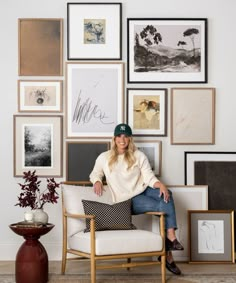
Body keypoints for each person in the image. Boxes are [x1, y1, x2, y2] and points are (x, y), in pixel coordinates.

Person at [89, 123, 183, 275]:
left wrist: (160, 185)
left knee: (167, 193)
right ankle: (168, 254)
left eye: (126, 136)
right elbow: (95, 173)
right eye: (119, 136)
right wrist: (98, 181)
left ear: (130, 139)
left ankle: (171, 237)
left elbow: (149, 177)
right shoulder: (104, 157)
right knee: (161, 205)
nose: (122, 139)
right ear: (114, 138)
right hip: (126, 200)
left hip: (143, 190)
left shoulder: (138, 155)